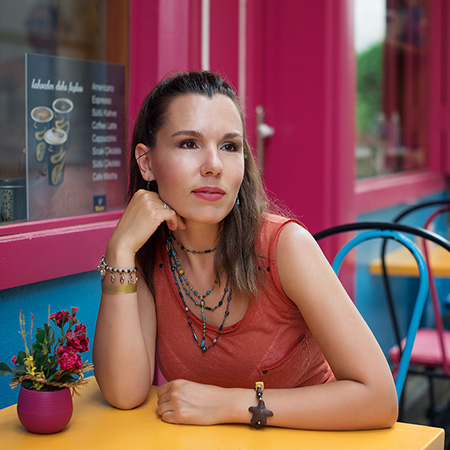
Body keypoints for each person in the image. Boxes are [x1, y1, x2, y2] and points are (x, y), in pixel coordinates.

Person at [93, 71, 398, 430]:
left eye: (229, 146)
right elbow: (124, 393)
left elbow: (379, 399)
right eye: (189, 143)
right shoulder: (148, 253)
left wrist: (230, 405)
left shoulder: (285, 247)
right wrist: (120, 250)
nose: (214, 165)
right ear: (146, 162)